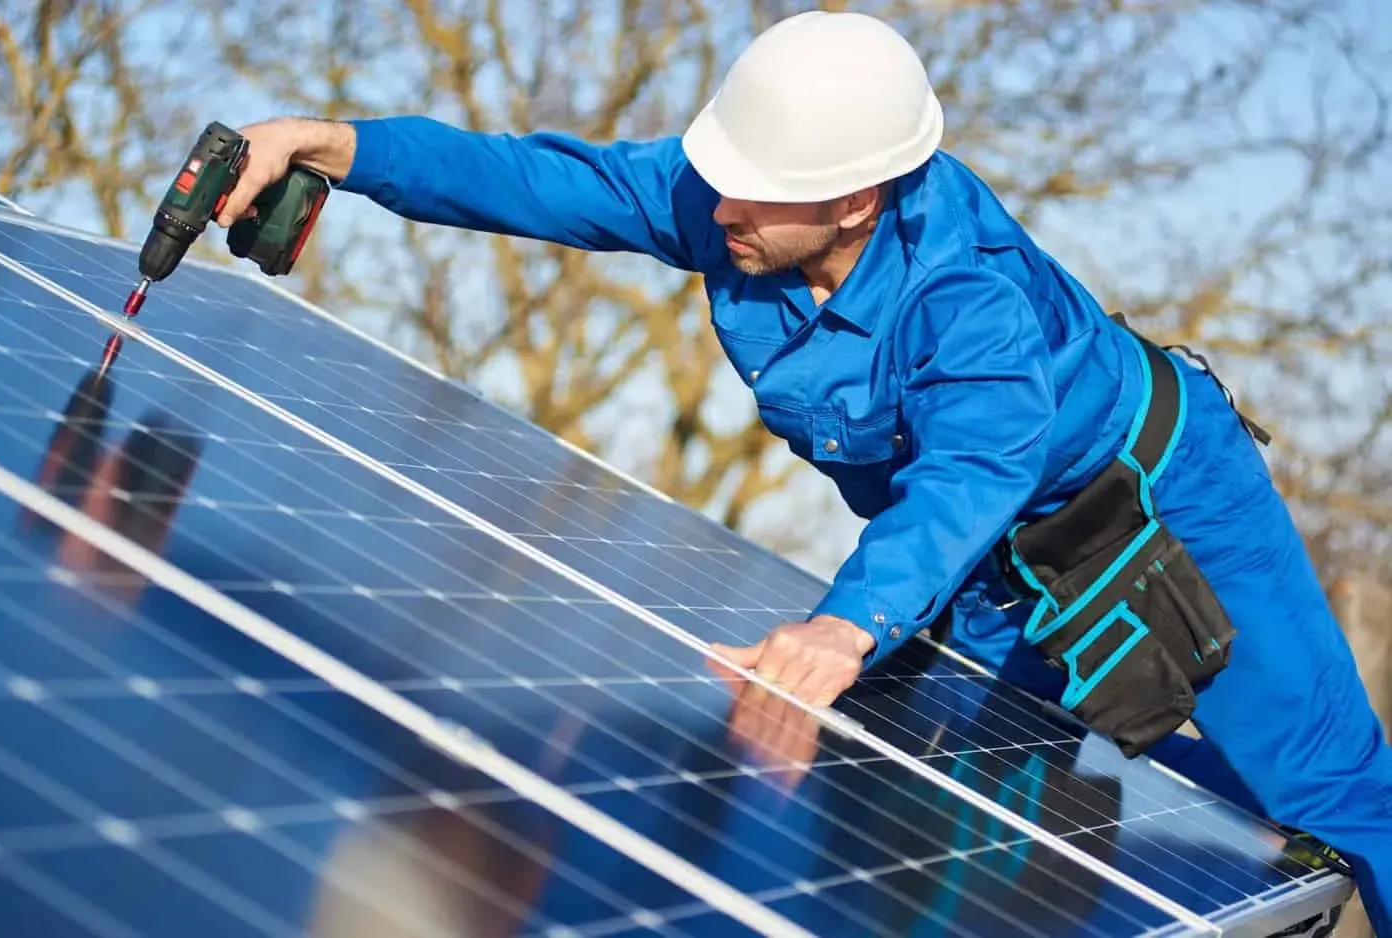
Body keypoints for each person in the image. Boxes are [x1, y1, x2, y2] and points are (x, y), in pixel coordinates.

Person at [216, 10, 1392, 933]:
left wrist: (848, 624)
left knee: (1330, 792)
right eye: (717, 173)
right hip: (983, 564)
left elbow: (973, 467)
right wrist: (336, 145)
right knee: (939, 785)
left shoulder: (966, 298)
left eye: (748, 189)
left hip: (1160, 506)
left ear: (854, 199)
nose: (712, 204)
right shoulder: (742, 201)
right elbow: (550, 180)